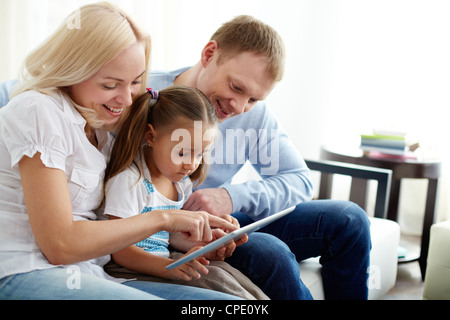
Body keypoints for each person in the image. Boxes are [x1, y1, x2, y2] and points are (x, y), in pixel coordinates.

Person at [0, 2, 240, 300]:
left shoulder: (104, 125)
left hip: (91, 273)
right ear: (73, 70)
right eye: (111, 84)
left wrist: (194, 235)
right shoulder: (38, 110)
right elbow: (59, 244)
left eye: (136, 82)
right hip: (24, 270)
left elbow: (117, 222)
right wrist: (164, 219)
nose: (127, 99)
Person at [147, 15, 372, 300]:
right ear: (209, 54)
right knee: (269, 252)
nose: (239, 107)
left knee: (350, 220)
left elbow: (299, 181)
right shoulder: (147, 94)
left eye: (253, 99)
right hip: (170, 229)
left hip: (222, 220)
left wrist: (230, 196)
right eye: (236, 88)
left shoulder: (253, 115)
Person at [101, 85, 268, 299]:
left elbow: (171, 238)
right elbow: (119, 250)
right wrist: (166, 267)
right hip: (129, 270)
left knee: (224, 274)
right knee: (215, 280)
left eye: (200, 154)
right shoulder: (129, 181)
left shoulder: (180, 183)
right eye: (182, 152)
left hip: (166, 259)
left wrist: (206, 245)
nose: (191, 164)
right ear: (151, 136)